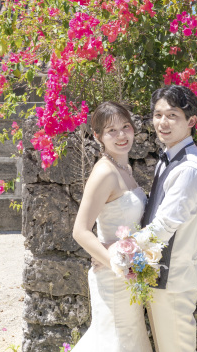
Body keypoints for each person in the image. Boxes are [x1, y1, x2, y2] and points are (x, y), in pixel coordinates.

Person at [71, 101, 153, 352]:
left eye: (125, 127)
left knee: (130, 339)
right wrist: (116, 262)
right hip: (114, 275)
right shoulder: (105, 173)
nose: (121, 135)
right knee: (114, 341)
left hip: (129, 274)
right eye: (111, 130)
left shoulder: (124, 168)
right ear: (98, 136)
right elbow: (80, 231)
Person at [140, 84, 197, 352]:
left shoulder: (188, 168)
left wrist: (123, 249)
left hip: (174, 281)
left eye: (172, 115)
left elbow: (164, 226)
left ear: (191, 121)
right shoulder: (169, 158)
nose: (162, 123)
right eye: (158, 115)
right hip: (160, 278)